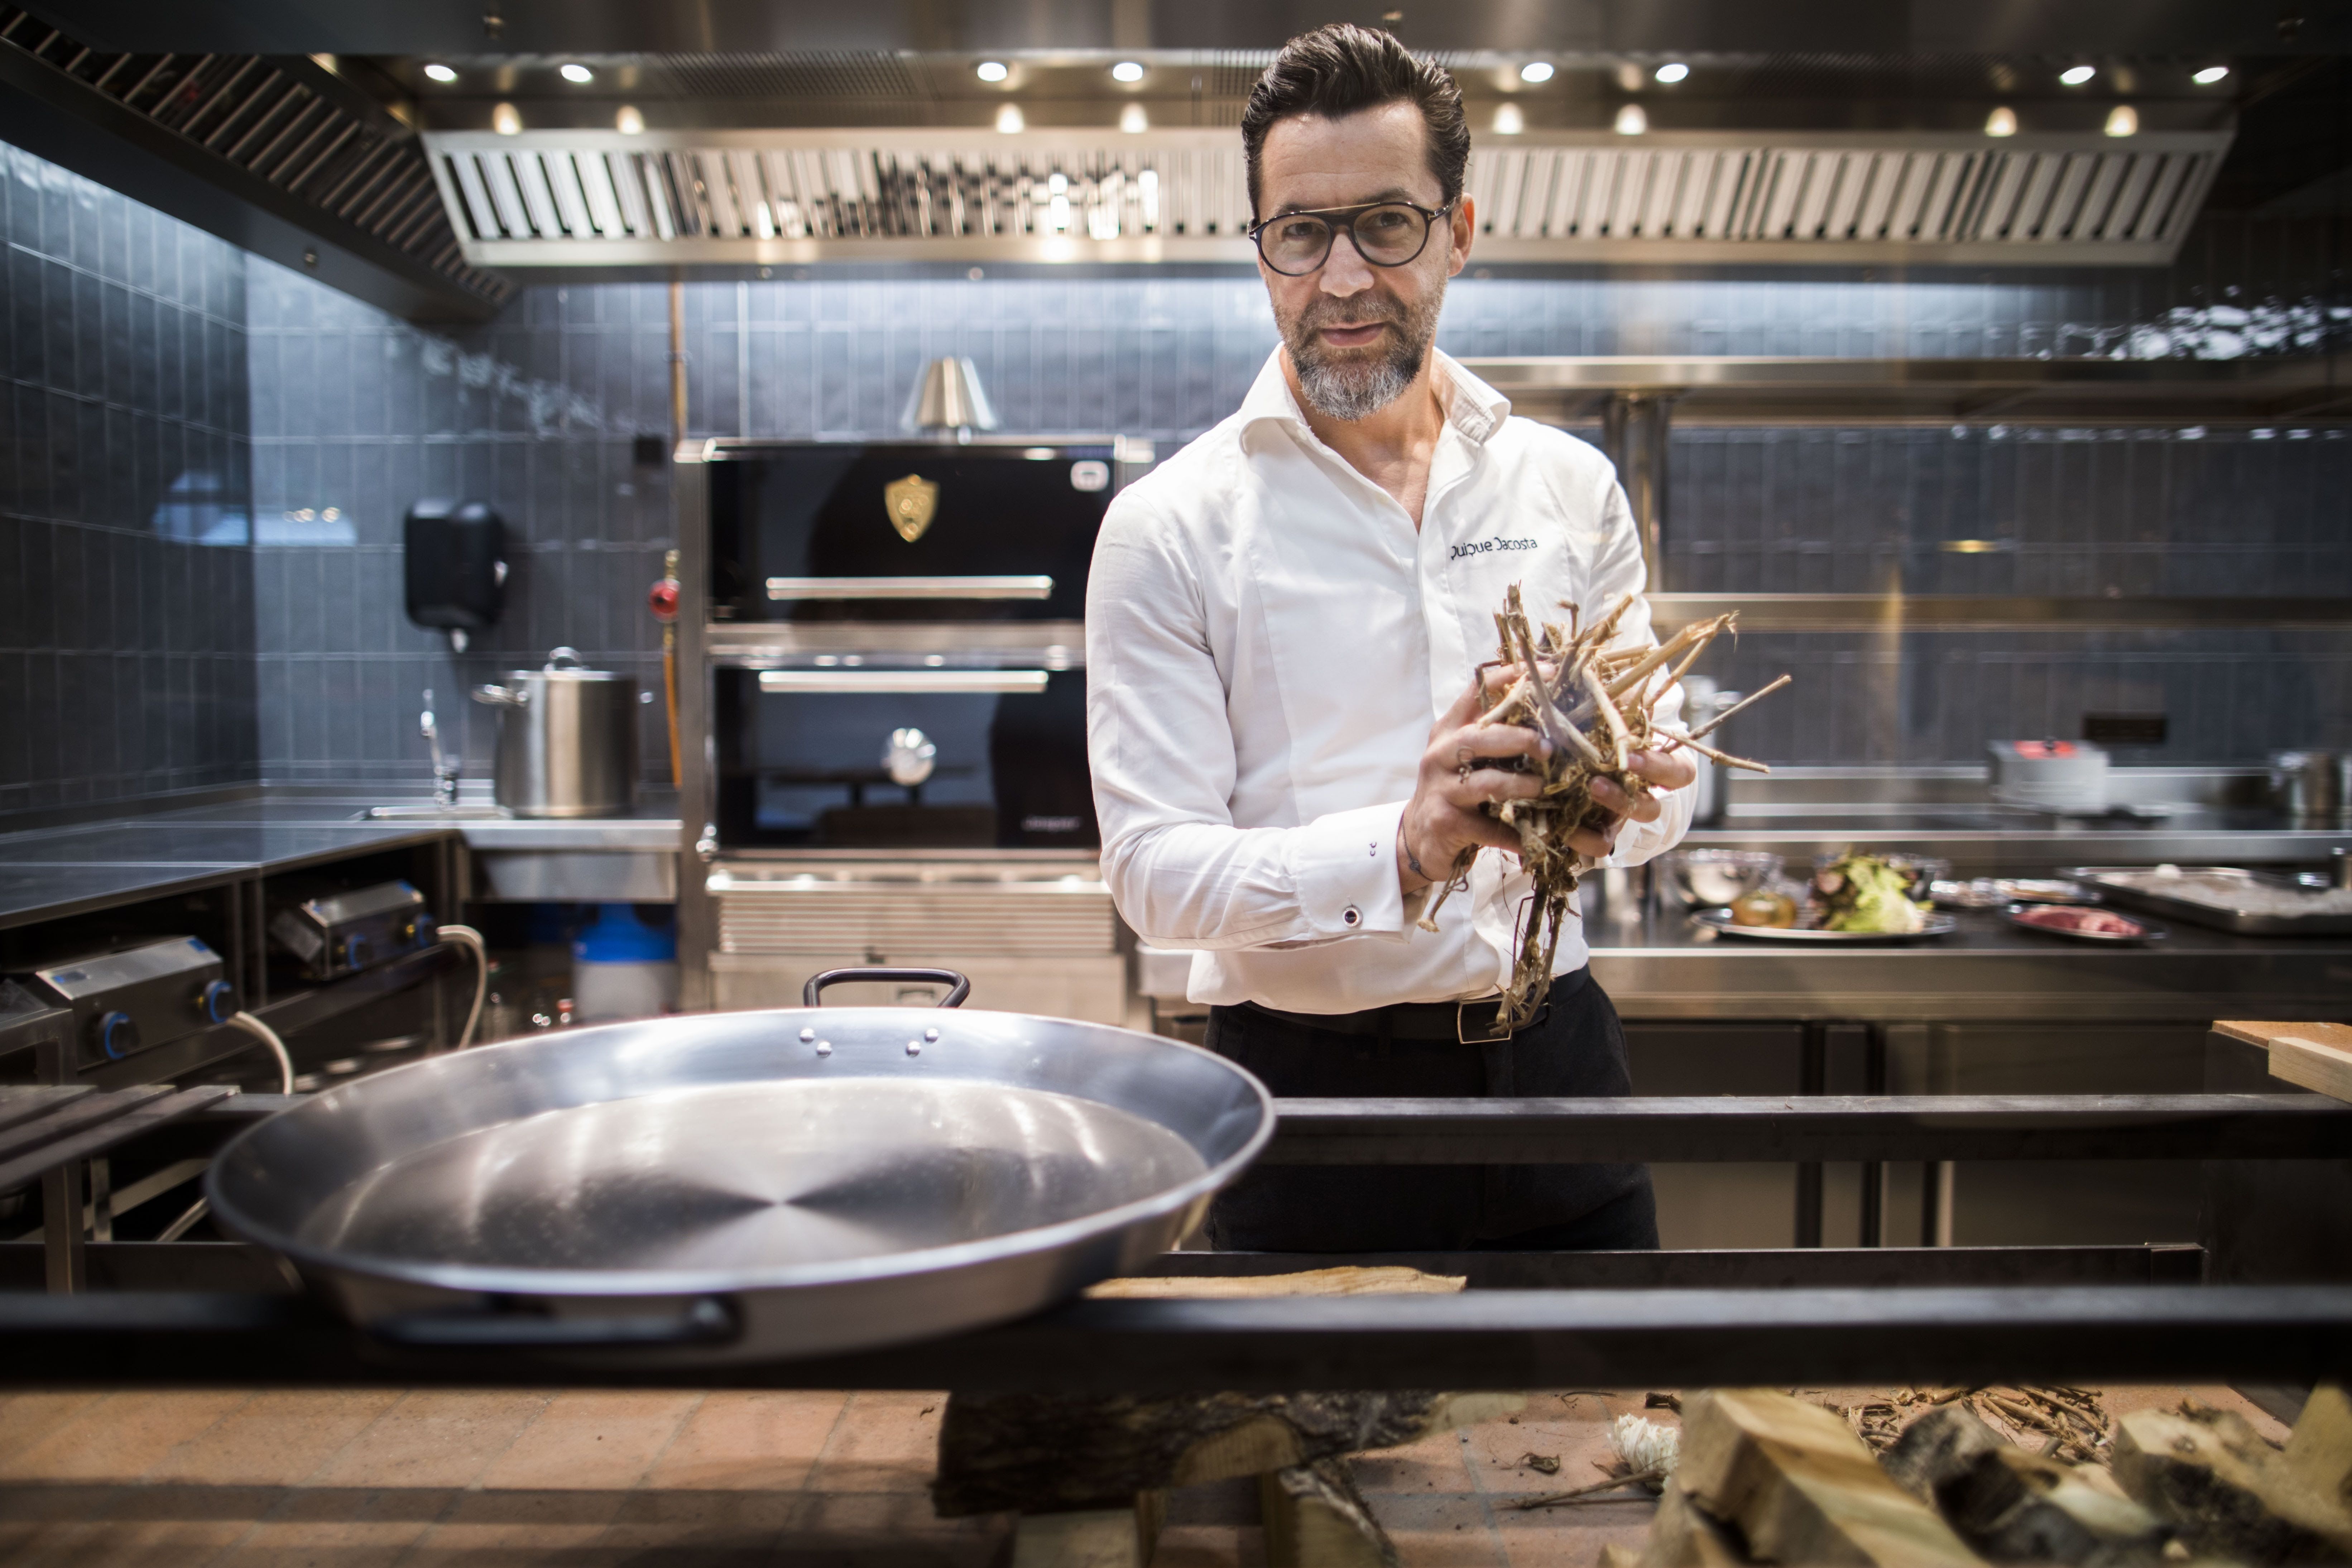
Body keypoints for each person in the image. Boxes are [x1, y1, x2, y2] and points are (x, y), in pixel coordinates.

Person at [1084, 23, 1696, 1253]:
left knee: (1617, 1441)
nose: (1344, 277)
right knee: (1306, 1451)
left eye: (1388, 225)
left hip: (1560, 1071)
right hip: (1309, 1107)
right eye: (1301, 233)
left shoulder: (1569, 487)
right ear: (1262, 251)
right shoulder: (1171, 527)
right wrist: (1402, 849)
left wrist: (1632, 795)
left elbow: (1672, 782)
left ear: (1458, 232)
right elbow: (1151, 873)